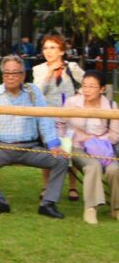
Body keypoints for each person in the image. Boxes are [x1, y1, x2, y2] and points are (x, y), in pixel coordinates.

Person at [0, 55, 69, 218]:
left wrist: (53, 145)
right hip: (2, 148)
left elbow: (45, 119)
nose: (11, 76)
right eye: (7, 73)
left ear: (23, 75)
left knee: (61, 160)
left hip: (30, 148)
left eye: (15, 73)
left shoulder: (33, 92)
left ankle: (48, 203)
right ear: (2, 75)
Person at [56, 71, 119, 224]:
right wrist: (63, 141)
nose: (87, 90)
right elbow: (60, 123)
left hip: (104, 149)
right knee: (93, 166)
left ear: (102, 89)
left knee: (114, 169)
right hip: (79, 147)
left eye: (92, 86)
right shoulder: (72, 102)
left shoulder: (111, 106)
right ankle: (91, 208)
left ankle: (116, 209)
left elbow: (115, 134)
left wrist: (95, 140)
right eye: (85, 86)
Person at [33, 33, 85, 201]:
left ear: (62, 51)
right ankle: (46, 187)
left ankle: (72, 187)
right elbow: (37, 94)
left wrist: (79, 96)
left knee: (69, 149)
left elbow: (89, 83)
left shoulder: (72, 67)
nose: (48, 51)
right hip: (48, 118)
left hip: (70, 117)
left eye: (53, 48)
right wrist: (49, 74)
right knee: (49, 152)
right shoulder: (39, 69)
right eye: (46, 48)